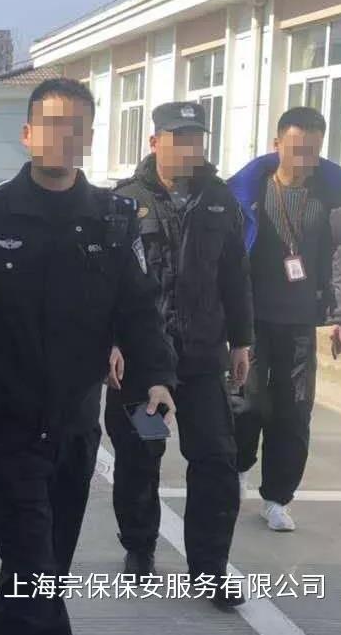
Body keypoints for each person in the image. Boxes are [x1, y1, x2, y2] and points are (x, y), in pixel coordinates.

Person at [0, 77, 177, 635]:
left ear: (89, 137)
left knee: (43, 573)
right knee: (33, 570)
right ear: (28, 134)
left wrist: (155, 377)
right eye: (51, 124)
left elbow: (138, 308)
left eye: (76, 127)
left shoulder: (113, 219)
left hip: (75, 429)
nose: (63, 136)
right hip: (7, 429)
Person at [105, 102, 252, 607]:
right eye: (179, 137)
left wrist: (242, 340)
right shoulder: (126, 202)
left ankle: (209, 570)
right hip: (145, 363)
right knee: (141, 455)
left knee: (215, 460)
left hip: (202, 360)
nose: (190, 147)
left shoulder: (220, 201)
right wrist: (111, 341)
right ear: (155, 143)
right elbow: (106, 285)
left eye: (197, 138)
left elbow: (235, 275)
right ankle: (140, 547)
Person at [228, 106, 341, 532]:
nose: (305, 159)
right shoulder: (249, 192)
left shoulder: (332, 197)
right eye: (297, 149)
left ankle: (277, 498)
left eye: (313, 151)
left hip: (301, 321)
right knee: (246, 402)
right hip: (251, 321)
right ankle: (238, 468)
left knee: (294, 410)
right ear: (277, 145)